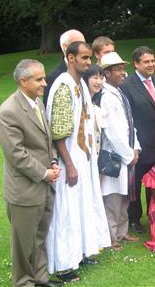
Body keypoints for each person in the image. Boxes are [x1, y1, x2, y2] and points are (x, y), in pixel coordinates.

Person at [45, 41, 110, 282]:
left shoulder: (80, 82)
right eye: (84, 58)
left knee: (83, 205)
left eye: (90, 58)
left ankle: (81, 252)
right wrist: (69, 165)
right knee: (67, 210)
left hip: (84, 156)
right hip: (68, 160)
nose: (88, 62)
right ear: (70, 58)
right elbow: (58, 132)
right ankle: (64, 264)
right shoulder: (63, 86)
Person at [0, 59, 63, 287]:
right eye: (39, 79)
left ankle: (40, 279)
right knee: (23, 243)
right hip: (24, 190)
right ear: (23, 81)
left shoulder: (37, 103)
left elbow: (46, 140)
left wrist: (53, 160)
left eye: (43, 77)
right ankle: (24, 282)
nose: (45, 83)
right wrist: (45, 173)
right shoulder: (8, 112)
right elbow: (16, 155)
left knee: (39, 236)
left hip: (44, 184)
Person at [120, 46, 155, 234]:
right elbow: (127, 117)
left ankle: (154, 215)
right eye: (146, 62)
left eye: (153, 61)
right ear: (136, 64)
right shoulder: (127, 85)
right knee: (136, 184)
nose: (151, 65)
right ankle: (134, 219)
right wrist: (133, 145)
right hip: (139, 145)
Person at [99, 52, 141, 250]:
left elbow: (129, 124)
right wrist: (127, 154)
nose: (123, 73)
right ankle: (111, 236)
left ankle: (122, 232)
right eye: (118, 70)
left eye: (123, 69)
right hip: (115, 155)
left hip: (127, 151)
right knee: (113, 195)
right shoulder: (107, 97)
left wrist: (136, 147)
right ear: (106, 73)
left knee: (125, 194)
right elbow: (114, 132)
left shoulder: (119, 93)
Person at [43, 29, 85, 105]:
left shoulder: (90, 70)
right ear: (66, 46)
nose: (84, 48)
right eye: (78, 44)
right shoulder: (53, 77)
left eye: (84, 44)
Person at [81, 64, 105, 152]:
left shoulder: (97, 103)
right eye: (95, 78)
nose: (99, 82)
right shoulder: (80, 104)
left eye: (101, 78)